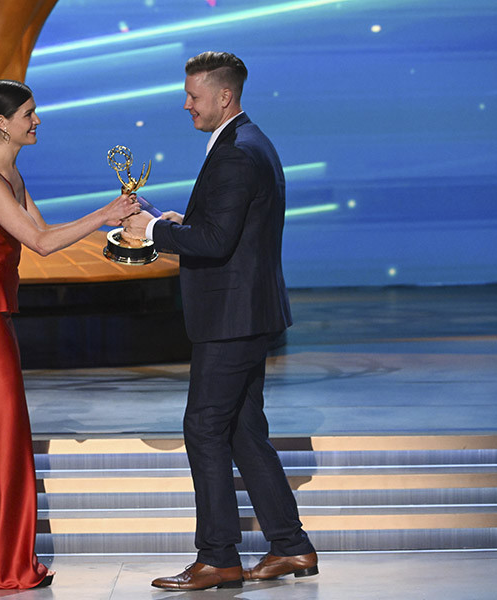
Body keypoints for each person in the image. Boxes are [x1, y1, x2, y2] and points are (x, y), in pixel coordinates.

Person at [0, 79, 138, 590]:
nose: (37, 121)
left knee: (3, 438)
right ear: (2, 123)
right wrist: (106, 212)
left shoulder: (11, 172)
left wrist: (118, 232)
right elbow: (38, 241)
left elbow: (49, 237)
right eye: (29, 114)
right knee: (1, 438)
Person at [123, 51, 317, 591]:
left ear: (223, 96)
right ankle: (291, 547)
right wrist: (180, 221)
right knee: (244, 430)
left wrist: (153, 233)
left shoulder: (236, 153)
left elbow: (215, 242)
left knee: (204, 427)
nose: (186, 104)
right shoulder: (248, 142)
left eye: (193, 95)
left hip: (232, 318)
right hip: (247, 313)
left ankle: (218, 558)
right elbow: (225, 228)